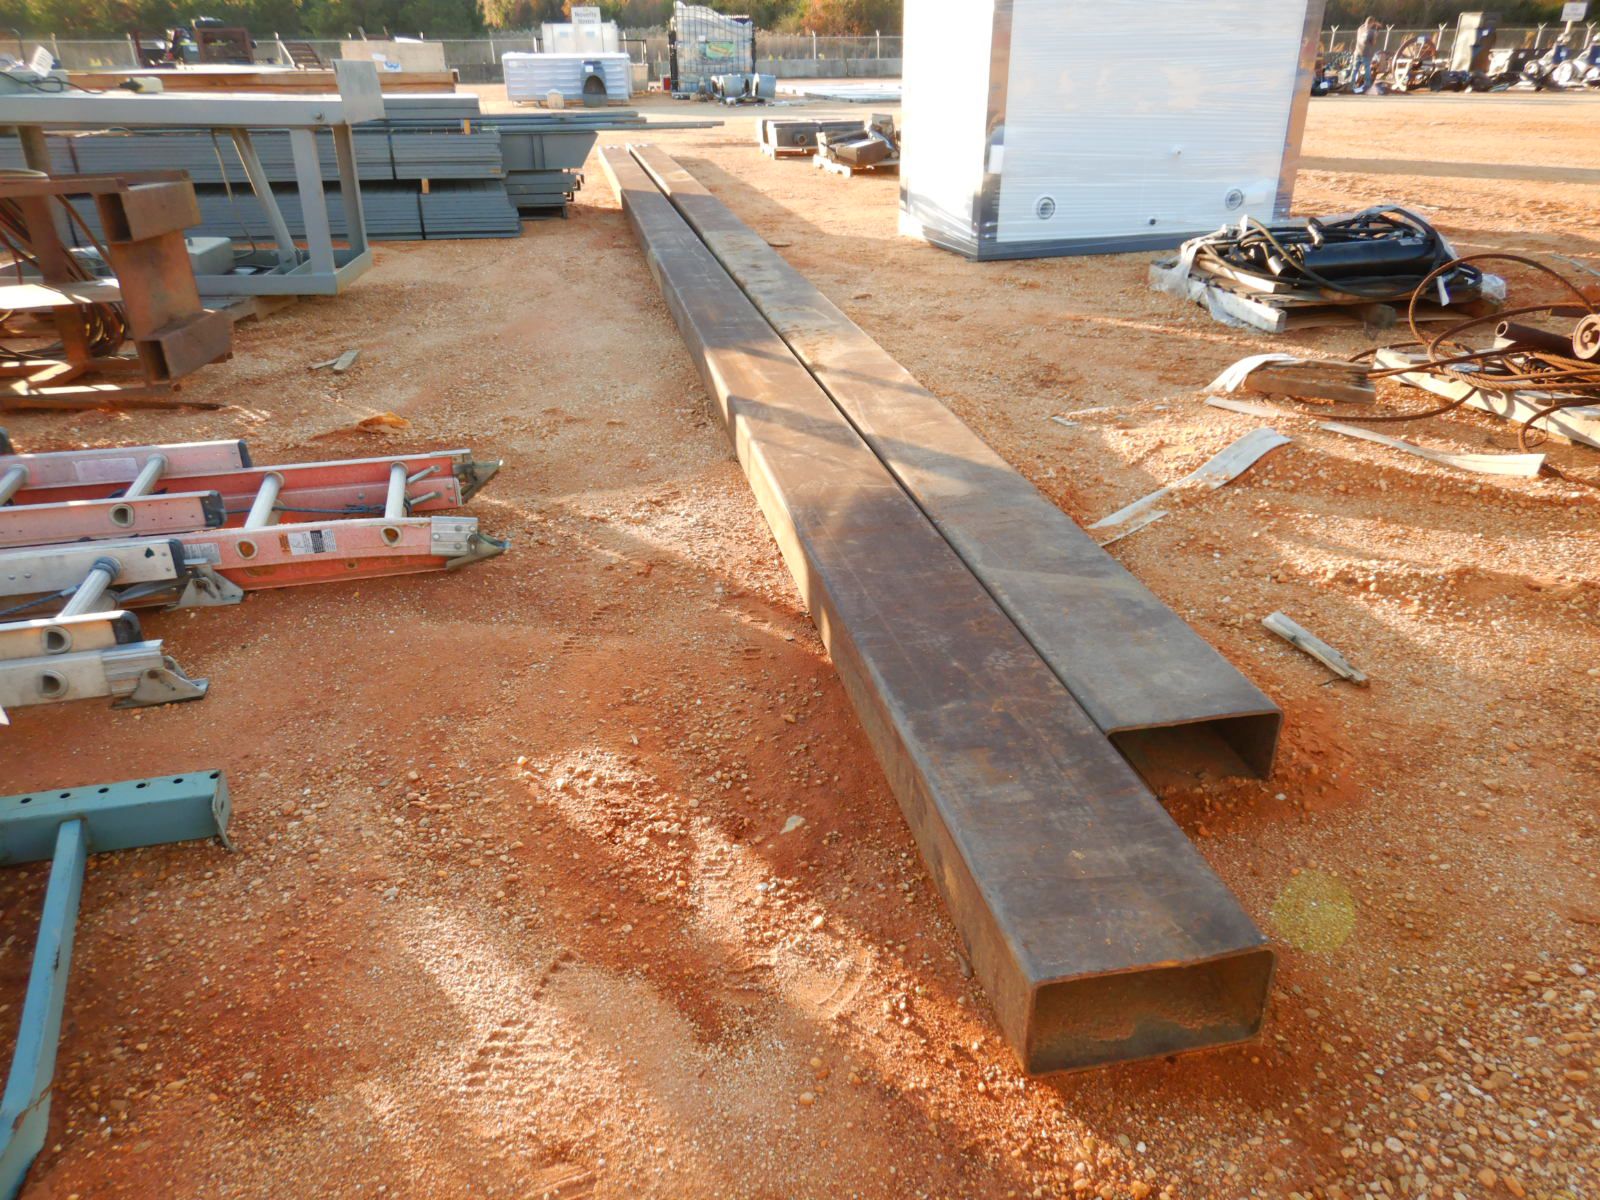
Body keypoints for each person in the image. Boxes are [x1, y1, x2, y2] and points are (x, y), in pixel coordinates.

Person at [1353, 16, 1382, 92]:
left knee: (1355, 69)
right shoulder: (1372, 32)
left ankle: (1351, 84)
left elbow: (1364, 25)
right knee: (1367, 68)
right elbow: (1373, 43)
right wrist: (1376, 32)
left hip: (1357, 52)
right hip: (1366, 53)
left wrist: (1373, 24)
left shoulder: (1360, 29)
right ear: (1372, 23)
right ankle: (1367, 84)